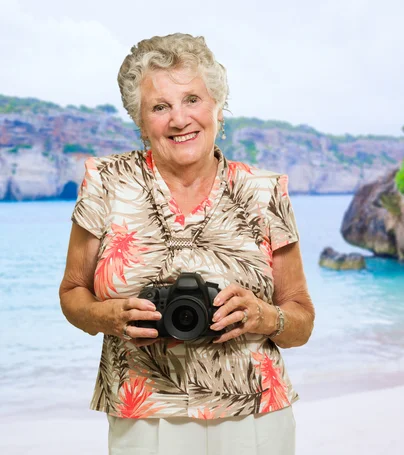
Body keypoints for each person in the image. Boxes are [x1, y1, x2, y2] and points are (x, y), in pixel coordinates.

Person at [58, 33, 315, 455]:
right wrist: (109, 317)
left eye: (192, 99)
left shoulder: (264, 191)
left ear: (217, 105)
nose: (179, 119)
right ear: (141, 121)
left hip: (254, 414)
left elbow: (301, 320)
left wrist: (263, 316)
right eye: (160, 107)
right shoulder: (105, 182)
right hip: (142, 411)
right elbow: (72, 294)